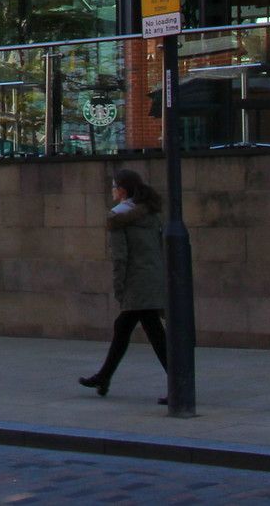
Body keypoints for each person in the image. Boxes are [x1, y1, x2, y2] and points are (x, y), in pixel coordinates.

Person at [80, 168, 169, 401]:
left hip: (135, 282)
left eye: (113, 186)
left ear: (121, 190)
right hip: (152, 278)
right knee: (125, 327)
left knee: (154, 333)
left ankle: (179, 381)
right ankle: (104, 376)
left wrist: (119, 287)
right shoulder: (149, 214)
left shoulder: (117, 218)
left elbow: (121, 257)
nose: (111, 190)